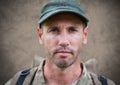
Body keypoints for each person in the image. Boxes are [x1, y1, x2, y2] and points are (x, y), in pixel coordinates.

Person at [5, 0, 115, 85]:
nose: (63, 41)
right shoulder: (18, 82)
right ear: (40, 35)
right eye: (54, 30)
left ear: (84, 35)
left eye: (72, 30)